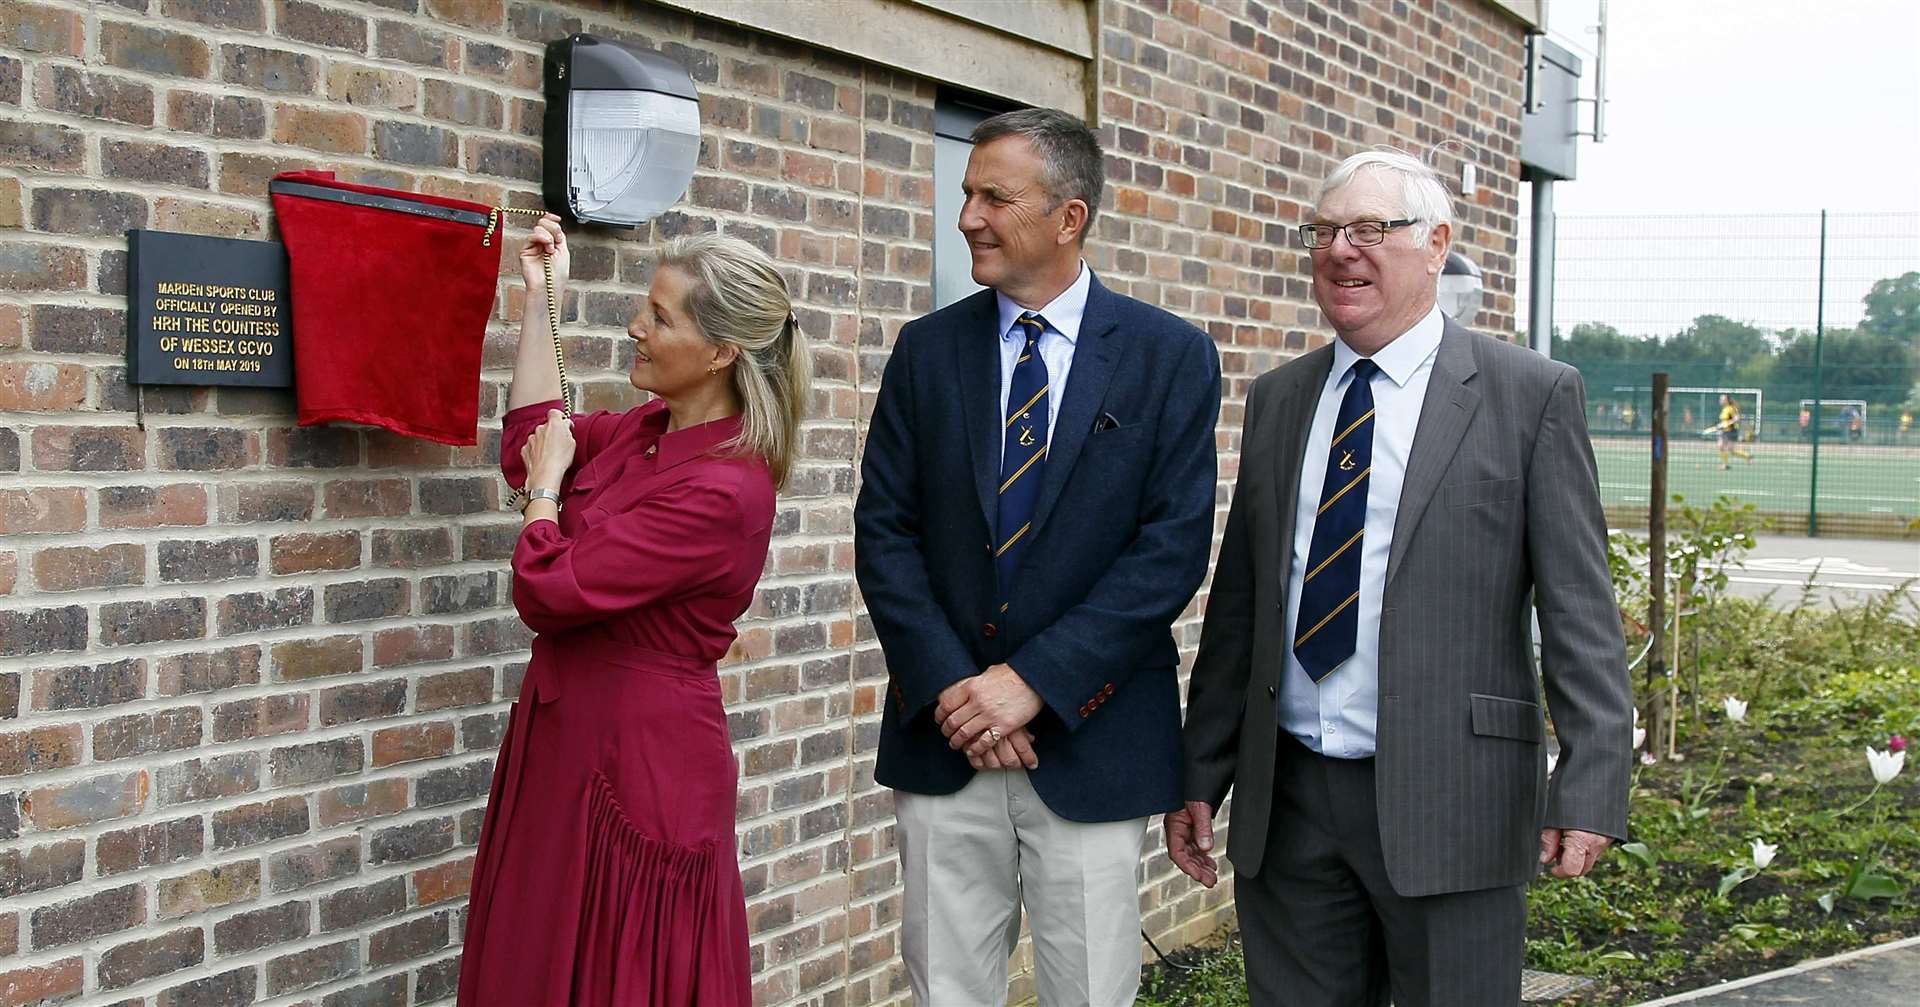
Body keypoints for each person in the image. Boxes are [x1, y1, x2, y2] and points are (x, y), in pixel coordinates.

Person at [1167, 149, 1632, 1006]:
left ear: (1437, 244)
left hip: (1453, 800)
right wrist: (1203, 771)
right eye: (1325, 231)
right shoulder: (1280, 399)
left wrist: (1593, 776)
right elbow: (1242, 606)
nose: (1343, 249)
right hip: (1292, 800)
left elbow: (1580, 611)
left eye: (1372, 229)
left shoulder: (1529, 395)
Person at [854, 108, 1221, 1006]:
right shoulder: (925, 351)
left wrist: (1032, 683)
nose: (968, 216)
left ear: (1069, 216)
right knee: (945, 987)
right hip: (944, 740)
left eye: (994, 196)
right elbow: (884, 534)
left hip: (1092, 739)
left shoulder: (1169, 356)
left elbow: (1168, 553)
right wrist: (955, 689)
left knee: (1089, 992)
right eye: (966, 192)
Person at [457, 221, 811, 1007]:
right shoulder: (644, 432)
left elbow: (545, 588)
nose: (636, 327)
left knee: (618, 971)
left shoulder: (726, 489)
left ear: (721, 352)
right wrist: (542, 296)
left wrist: (546, 495)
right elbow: (530, 443)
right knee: (539, 957)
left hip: (638, 767)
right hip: (565, 735)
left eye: (660, 316)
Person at [1713, 393, 1753, 468]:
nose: (1720, 400)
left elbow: (1737, 418)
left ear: (1727, 400)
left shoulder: (1731, 408)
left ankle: (1747, 456)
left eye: (1722, 399)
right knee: (1720, 446)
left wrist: (1728, 423)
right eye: (1720, 399)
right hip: (1724, 431)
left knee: (1731, 450)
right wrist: (1720, 426)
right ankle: (1726, 464)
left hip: (1731, 431)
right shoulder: (1724, 409)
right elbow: (1724, 421)